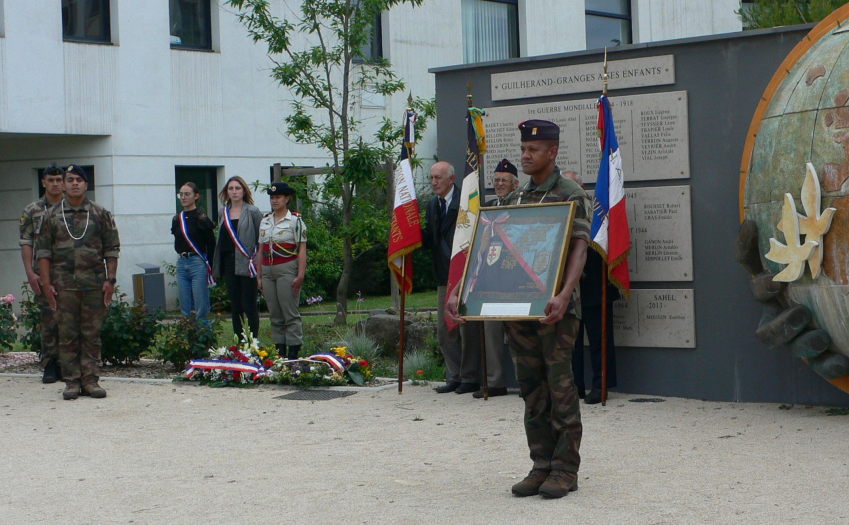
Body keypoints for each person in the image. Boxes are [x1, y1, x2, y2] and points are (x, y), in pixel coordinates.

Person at [447, 120, 590, 499]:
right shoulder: (515, 198)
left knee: (559, 387)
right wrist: (462, 290)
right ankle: (540, 464)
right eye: (524, 149)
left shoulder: (570, 193)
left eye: (533, 150)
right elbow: (487, 249)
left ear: (552, 152)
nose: (525, 155)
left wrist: (564, 294)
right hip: (518, 310)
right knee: (531, 388)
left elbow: (579, 247)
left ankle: (565, 469)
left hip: (555, 310)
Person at [36, 164, 120, 400]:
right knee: (68, 334)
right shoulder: (51, 215)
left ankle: (91, 381)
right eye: (70, 179)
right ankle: (72, 381)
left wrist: (110, 279)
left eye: (79, 180)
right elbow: (43, 252)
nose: (74, 183)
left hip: (94, 284)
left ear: (86, 184)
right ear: (63, 184)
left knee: (92, 334)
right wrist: (46, 284)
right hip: (64, 286)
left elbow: (112, 248)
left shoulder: (100, 213)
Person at [422, 161, 481, 395]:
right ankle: (454, 374)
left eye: (438, 177)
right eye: (432, 178)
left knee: (467, 329)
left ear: (452, 179)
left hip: (465, 273)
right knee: (444, 330)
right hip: (443, 274)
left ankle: (470, 377)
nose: (434, 182)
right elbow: (431, 238)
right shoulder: (432, 205)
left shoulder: (464, 203)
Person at [563, 170, 619, 405]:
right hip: (570, 288)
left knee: (599, 339)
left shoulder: (598, 213)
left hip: (596, 285)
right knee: (571, 343)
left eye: (572, 187)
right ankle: (576, 386)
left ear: (581, 188)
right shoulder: (562, 213)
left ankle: (600, 384)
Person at [476, 158, 520, 399]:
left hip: (513, 277)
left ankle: (527, 383)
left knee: (517, 334)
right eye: (496, 180)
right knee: (490, 333)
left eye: (504, 180)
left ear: (515, 184)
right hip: (491, 278)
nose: (499, 184)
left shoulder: (521, 205)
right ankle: (495, 382)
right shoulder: (488, 209)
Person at [20, 163, 65, 384]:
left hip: (70, 271)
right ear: (43, 182)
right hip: (43, 272)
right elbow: (27, 242)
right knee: (49, 318)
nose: (55, 184)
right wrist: (30, 272)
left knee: (70, 318)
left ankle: (67, 364)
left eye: (59, 180)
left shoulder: (73, 207)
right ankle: (49, 364)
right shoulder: (32, 210)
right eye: (51, 180)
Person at [257, 182, 306, 360]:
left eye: (278, 197)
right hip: (268, 270)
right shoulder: (265, 220)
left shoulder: (295, 221)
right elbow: (260, 249)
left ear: (287, 199)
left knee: (289, 312)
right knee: (274, 313)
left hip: (287, 268)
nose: (274, 200)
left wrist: (300, 275)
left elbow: (301, 250)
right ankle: (280, 352)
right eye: (272, 197)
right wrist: (259, 274)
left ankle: (293, 352)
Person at [212, 176, 263, 340]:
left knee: (250, 305)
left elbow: (260, 240)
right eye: (231, 188)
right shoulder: (223, 212)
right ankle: (240, 342)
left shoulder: (253, 212)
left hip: (248, 263)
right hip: (229, 262)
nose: (234, 192)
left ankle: (252, 341)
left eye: (237, 188)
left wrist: (258, 263)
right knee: (235, 306)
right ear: (227, 191)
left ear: (244, 190)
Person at [171, 182, 216, 326]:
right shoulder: (177, 219)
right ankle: (188, 339)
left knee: (201, 305)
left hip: (198, 262)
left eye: (187, 194)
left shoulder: (202, 218)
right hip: (182, 262)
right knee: (185, 306)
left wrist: (211, 267)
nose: (183, 197)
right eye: (181, 194)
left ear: (196, 196)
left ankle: (205, 339)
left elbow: (211, 244)